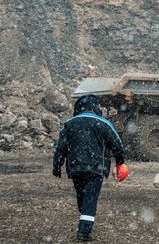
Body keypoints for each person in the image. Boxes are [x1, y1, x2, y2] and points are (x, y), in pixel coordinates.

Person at [52, 95, 125, 242]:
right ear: (96, 108)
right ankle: (84, 231)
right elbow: (117, 144)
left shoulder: (69, 123)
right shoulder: (104, 123)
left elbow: (60, 147)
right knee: (90, 198)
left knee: (82, 196)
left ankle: (84, 220)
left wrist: (57, 165)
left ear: (78, 108)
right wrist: (120, 161)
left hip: (75, 168)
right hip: (96, 169)